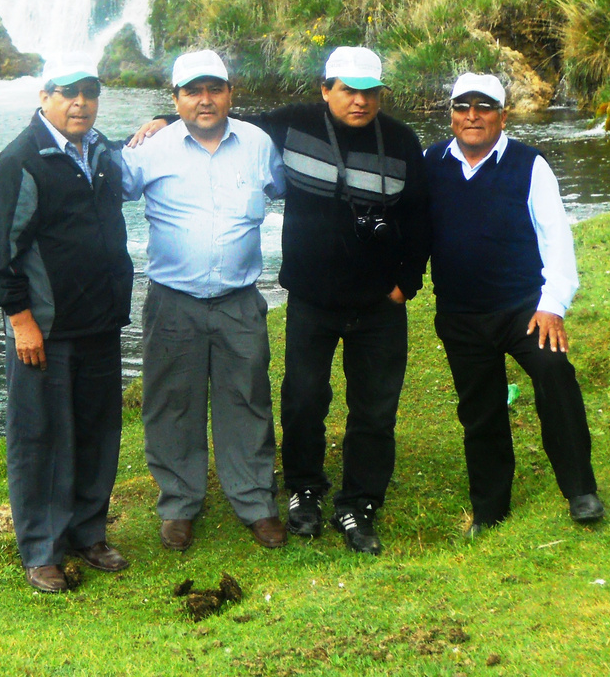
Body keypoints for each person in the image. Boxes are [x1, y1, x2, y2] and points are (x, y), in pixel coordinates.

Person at [130, 46, 429, 555]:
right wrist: (160, 120)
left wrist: (407, 281)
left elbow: (421, 214)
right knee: (283, 401)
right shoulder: (273, 129)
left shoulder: (390, 139)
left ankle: (309, 502)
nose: (358, 100)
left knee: (292, 404)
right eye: (347, 89)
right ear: (325, 88)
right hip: (280, 298)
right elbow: (108, 182)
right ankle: (232, 500)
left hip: (331, 301)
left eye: (368, 92)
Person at [118, 50, 288, 551]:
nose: (206, 99)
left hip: (240, 300)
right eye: (193, 91)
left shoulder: (258, 144)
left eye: (215, 89)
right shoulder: (151, 148)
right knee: (171, 403)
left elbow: (285, 188)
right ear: (176, 99)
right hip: (173, 301)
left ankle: (256, 502)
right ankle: (179, 504)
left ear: (231, 93)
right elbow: (101, 185)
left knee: (248, 400)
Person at [0, 57, 134, 593]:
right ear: (44, 96)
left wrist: (160, 118)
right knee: (40, 439)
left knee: (97, 433)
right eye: (68, 93)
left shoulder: (101, 151)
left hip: (99, 321)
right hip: (43, 329)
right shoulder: (20, 161)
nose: (80, 104)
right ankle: (42, 550)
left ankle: (88, 533)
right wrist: (20, 321)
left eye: (89, 93)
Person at [422, 72, 605, 535]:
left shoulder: (530, 164)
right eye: (463, 107)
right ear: (451, 115)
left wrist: (553, 305)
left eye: (484, 107)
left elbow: (556, 240)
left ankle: (581, 490)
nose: (472, 116)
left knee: (555, 377)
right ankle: (490, 510)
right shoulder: (430, 163)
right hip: (461, 314)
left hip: (528, 310)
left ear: (502, 115)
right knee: (480, 411)